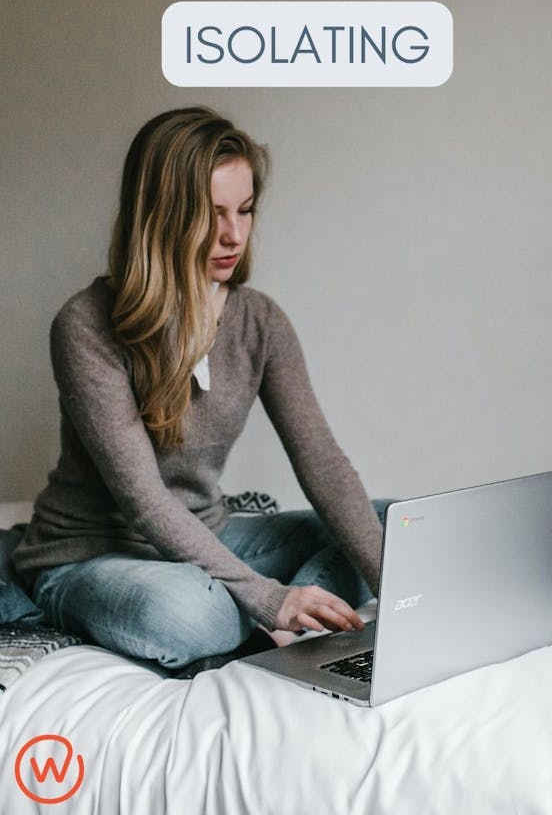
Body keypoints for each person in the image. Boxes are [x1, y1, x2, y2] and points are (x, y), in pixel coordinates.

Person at [12, 107, 382, 672]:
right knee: (189, 617)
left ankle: (306, 624)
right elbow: (144, 500)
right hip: (93, 557)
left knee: (398, 525)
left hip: (211, 540)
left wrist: (400, 587)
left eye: (246, 210)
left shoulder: (260, 321)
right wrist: (267, 597)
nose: (234, 235)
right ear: (160, 216)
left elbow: (321, 462)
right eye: (212, 215)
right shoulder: (85, 325)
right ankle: (278, 612)